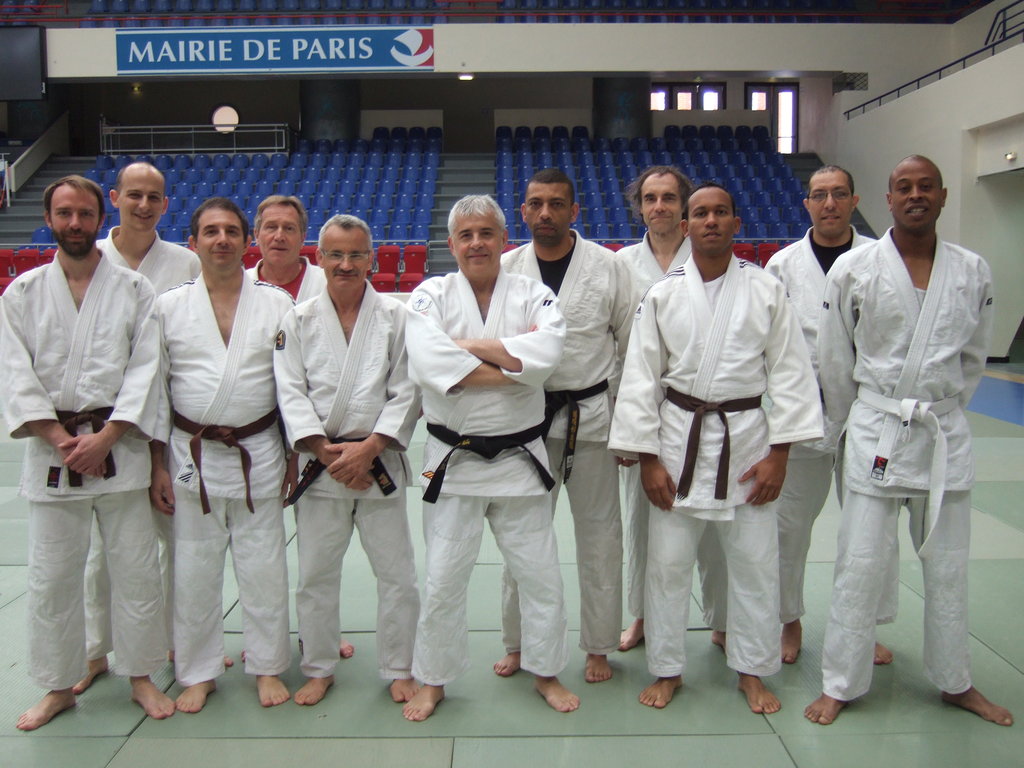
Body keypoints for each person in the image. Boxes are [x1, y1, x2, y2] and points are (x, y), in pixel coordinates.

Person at [805, 156, 1013, 727]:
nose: (915, 195)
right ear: (889, 199)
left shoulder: (972, 270)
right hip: (875, 425)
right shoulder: (854, 268)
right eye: (904, 187)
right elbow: (834, 358)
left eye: (926, 187)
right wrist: (852, 420)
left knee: (948, 567)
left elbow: (974, 358)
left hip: (941, 431)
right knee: (860, 563)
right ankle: (841, 682)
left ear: (943, 196)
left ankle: (955, 681)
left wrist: (940, 408)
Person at [609, 182, 822, 713]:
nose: (710, 221)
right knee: (667, 565)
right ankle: (667, 668)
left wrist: (780, 455)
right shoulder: (662, 294)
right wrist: (648, 459)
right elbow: (640, 378)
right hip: (676, 441)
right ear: (686, 226)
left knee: (754, 564)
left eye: (720, 212)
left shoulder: (766, 289)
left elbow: (791, 373)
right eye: (700, 213)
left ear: (735, 223)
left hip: (746, 441)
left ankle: (752, 669)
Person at [1, 175, 174, 730]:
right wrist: (62, 441)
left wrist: (106, 437)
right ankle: (58, 685)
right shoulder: (22, 293)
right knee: (53, 576)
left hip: (120, 449)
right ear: (49, 219)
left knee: (135, 570)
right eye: (64, 213)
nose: (74, 223)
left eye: (84, 214)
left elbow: (148, 371)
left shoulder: (134, 291)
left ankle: (141, 675)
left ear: (102, 218)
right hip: (52, 455)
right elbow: (15, 376)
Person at [401, 194, 577, 721]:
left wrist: (463, 347)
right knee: (442, 578)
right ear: (451, 244)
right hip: (450, 459)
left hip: (520, 457)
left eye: (486, 233)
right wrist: (513, 361)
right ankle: (433, 679)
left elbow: (546, 358)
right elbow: (428, 363)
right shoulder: (429, 295)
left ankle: (545, 670)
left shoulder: (534, 294)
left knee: (539, 573)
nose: (476, 243)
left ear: (504, 240)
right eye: (466, 235)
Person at [151, 197, 294, 713]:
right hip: (191, 455)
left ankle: (268, 665)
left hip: (260, 450)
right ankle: (198, 671)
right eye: (210, 231)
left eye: (232, 231)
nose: (222, 240)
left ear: (246, 241)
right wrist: (156, 465)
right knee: (193, 569)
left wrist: (294, 453)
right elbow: (155, 391)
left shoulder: (277, 303)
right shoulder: (167, 306)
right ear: (193, 243)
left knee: (265, 565)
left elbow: (292, 386)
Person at [274, 214, 421, 706]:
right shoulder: (298, 319)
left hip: (378, 462)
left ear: (371, 260)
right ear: (318, 258)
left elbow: (407, 389)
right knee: (316, 574)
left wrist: (371, 448)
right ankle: (318, 667)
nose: (345, 264)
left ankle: (400, 666)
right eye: (335, 254)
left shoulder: (396, 316)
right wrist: (322, 450)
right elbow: (290, 391)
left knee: (397, 574)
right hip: (323, 465)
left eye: (356, 254)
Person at [499, 169, 633, 683]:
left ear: (574, 211)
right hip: (525, 423)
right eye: (536, 204)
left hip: (591, 419)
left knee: (600, 536)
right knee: (523, 538)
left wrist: (629, 425)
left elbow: (630, 345)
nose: (545, 213)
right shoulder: (507, 268)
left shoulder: (608, 266)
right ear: (523, 212)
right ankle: (518, 642)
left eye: (556, 204)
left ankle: (599, 645)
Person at [761, 164, 896, 666]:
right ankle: (788, 619)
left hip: (869, 408)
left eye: (839, 194)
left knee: (869, 527)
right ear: (807, 204)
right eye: (819, 195)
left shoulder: (881, 259)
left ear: (854, 200)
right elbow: (767, 343)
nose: (830, 203)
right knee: (788, 525)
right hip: (802, 412)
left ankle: (862, 625)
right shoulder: (782, 265)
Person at [77, 161, 202, 694]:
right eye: (134, 195)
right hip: (107, 426)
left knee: (178, 539)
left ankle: (176, 640)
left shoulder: (185, 262)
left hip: (171, 421)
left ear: (166, 204)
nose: (144, 205)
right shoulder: (90, 257)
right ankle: (94, 650)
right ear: (114, 198)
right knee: (103, 550)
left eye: (154, 197)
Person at [615, 165, 693, 653]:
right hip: (640, 408)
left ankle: (722, 618)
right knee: (641, 522)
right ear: (639, 207)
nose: (659, 206)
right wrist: (624, 429)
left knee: (712, 522)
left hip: (702, 409)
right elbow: (610, 345)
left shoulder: (707, 256)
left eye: (668, 197)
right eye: (650, 198)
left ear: (684, 205)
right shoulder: (621, 264)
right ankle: (642, 616)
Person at [246, 195, 326, 302]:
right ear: (257, 235)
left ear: (302, 238)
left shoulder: (326, 283)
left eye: (289, 228)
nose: (279, 237)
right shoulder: (240, 284)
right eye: (271, 227)